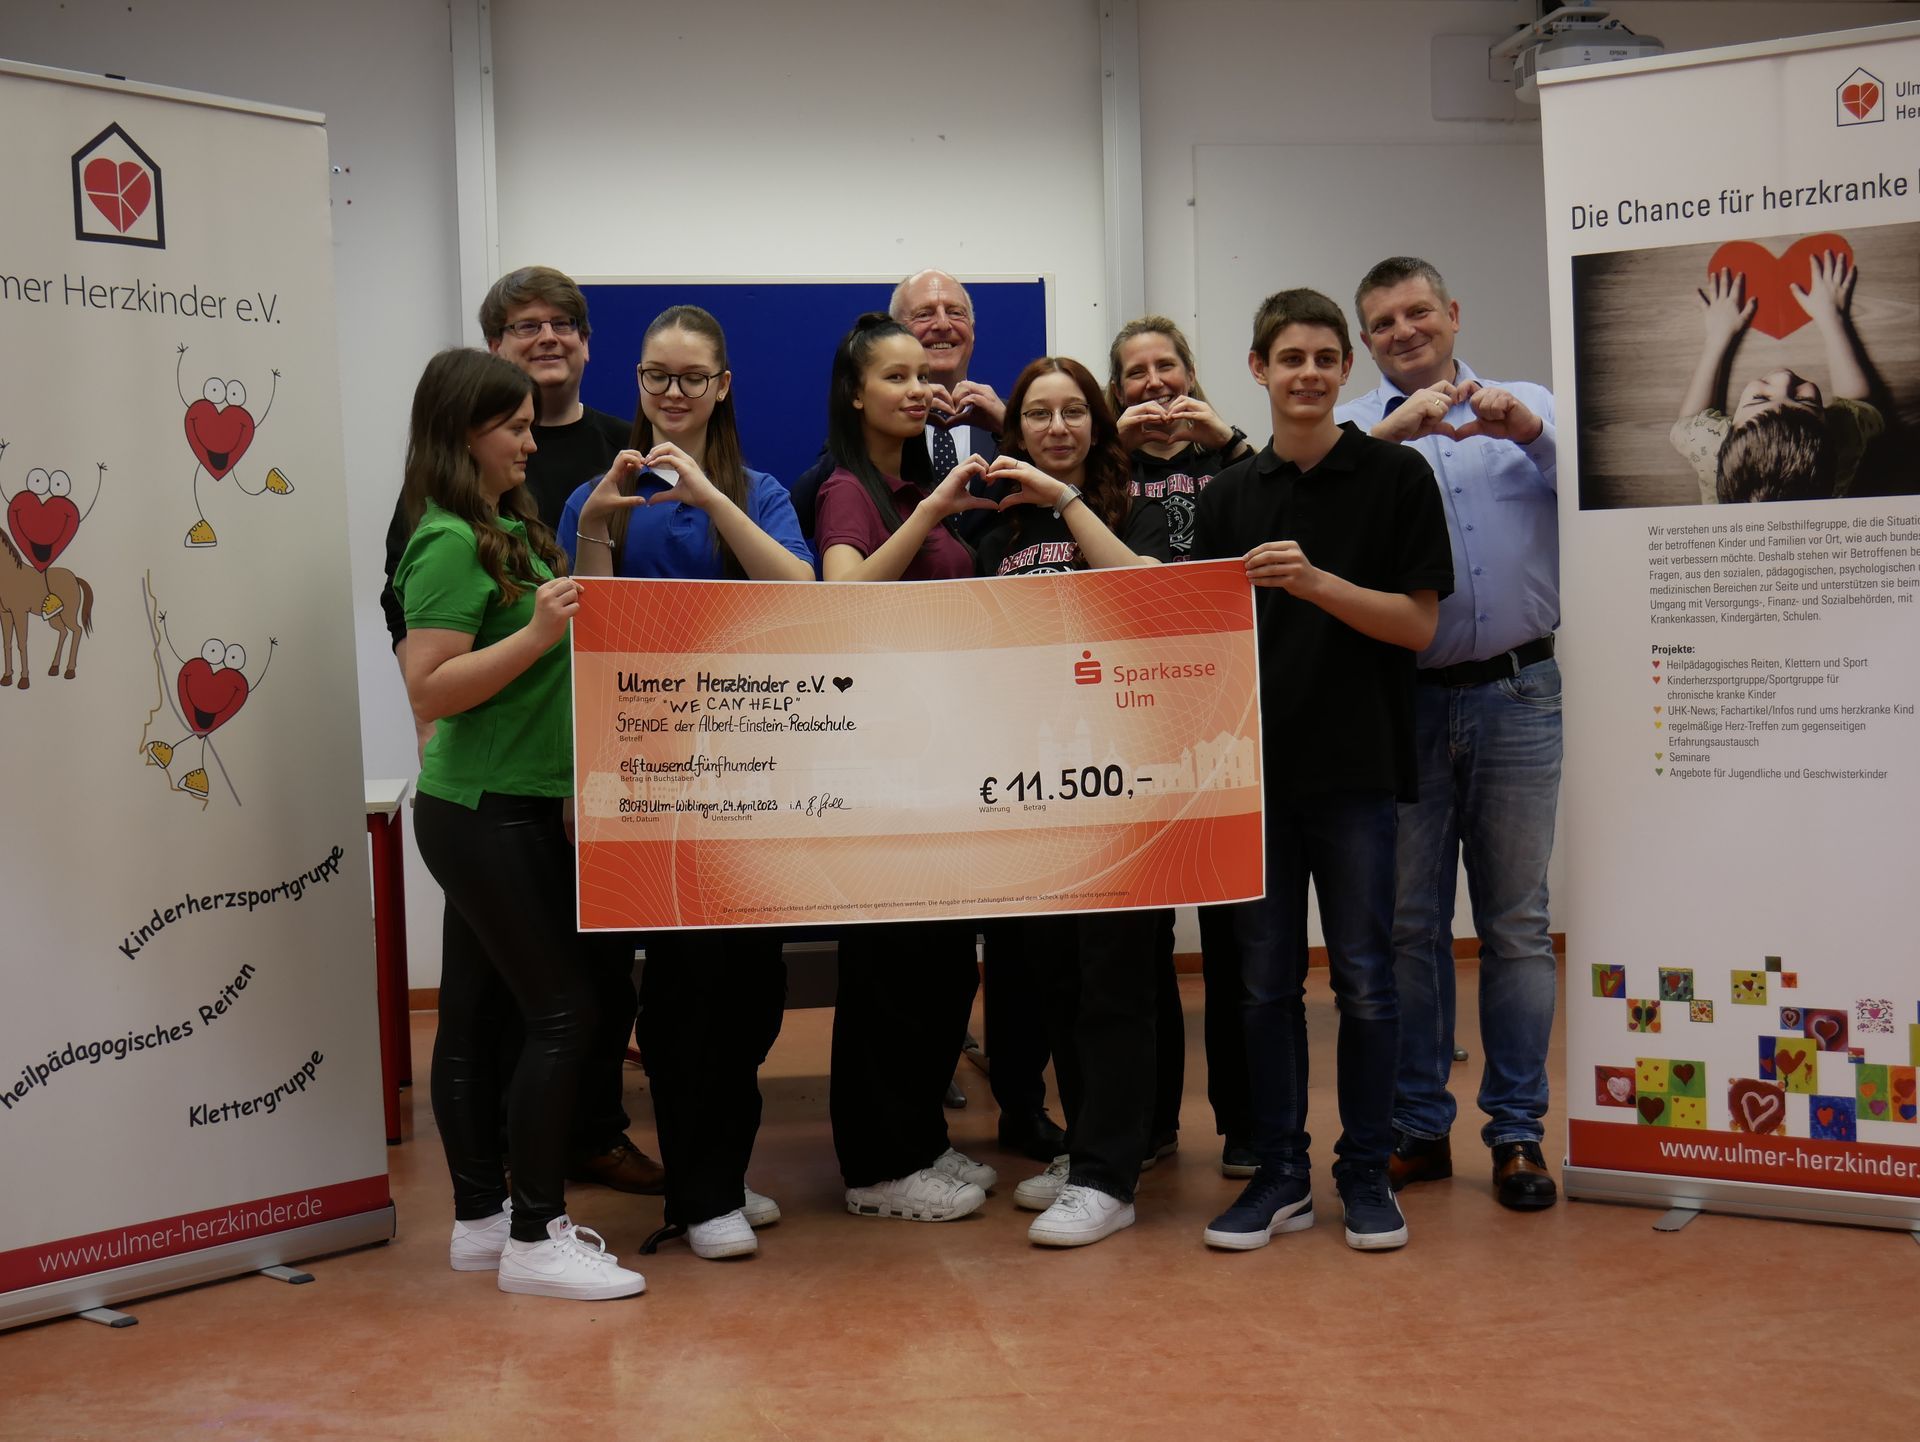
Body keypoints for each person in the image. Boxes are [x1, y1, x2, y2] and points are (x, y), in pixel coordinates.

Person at [380, 266, 663, 1200]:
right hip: (485, 802)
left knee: (486, 1012)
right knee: (554, 1014)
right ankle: (529, 1221)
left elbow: (572, 613)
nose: (532, 444)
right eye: (514, 428)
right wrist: (539, 633)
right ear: (467, 432)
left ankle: (482, 1217)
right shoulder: (445, 538)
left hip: (525, 794)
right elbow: (429, 684)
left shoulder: (504, 519)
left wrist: (595, 526)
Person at [1194, 289, 1452, 1253]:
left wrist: (1316, 582)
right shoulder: (1227, 497)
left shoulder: (1396, 477)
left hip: (1358, 774)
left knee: (1367, 983)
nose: (1307, 374)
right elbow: (1203, 649)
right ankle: (1281, 1175)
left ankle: (1365, 1173)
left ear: (1347, 370)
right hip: (1256, 780)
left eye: (1324, 358)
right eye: (1289, 358)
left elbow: (1418, 626)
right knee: (1262, 988)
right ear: (1257, 370)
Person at [557, 306, 813, 1260]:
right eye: (656, 375)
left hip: (755, 774)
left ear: (722, 387)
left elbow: (799, 596)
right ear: (636, 381)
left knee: (753, 993)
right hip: (649, 783)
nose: (673, 392)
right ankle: (702, 1196)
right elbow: (587, 631)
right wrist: (597, 525)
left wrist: (709, 497)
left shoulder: (759, 491)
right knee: (680, 993)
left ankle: (721, 1171)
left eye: (692, 377)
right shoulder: (595, 495)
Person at [1338, 255, 1563, 1212]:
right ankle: (1420, 1129)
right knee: (1411, 926)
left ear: (1453, 313)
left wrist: (1533, 434)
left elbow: (1599, 493)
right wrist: (1390, 438)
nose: (1404, 331)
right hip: (1407, 700)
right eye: (1384, 322)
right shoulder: (1355, 430)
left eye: (1418, 311)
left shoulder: (1528, 405)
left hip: (1520, 692)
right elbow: (1325, 519)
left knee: (1515, 925)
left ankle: (1516, 1133)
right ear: (1366, 341)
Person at [972, 357, 1170, 1247]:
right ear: (1015, 429)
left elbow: (1147, 593)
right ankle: (1090, 1146)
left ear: (1098, 421)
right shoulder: (995, 530)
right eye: (1038, 415)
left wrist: (1066, 500)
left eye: (1073, 412)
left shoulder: (1142, 503)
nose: (1057, 427)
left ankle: (1108, 1179)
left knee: (1115, 984)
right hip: (1033, 784)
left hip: (1128, 781)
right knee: (1055, 979)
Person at [813, 312, 1002, 1221]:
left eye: (923, 376)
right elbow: (843, 596)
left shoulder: (914, 478)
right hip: (882, 765)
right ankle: (878, 1166)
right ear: (856, 395)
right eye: (894, 377)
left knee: (942, 967)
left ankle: (919, 1139)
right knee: (889, 971)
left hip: (944, 759)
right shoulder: (849, 488)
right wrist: (929, 515)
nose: (917, 389)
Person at [1106, 316, 1258, 1177]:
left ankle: (1245, 1122)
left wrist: (1223, 435)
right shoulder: (1106, 472)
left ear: (1192, 375)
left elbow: (1279, 505)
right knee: (1143, 938)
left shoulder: (1233, 460)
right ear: (1116, 390)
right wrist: (1113, 451)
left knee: (1238, 936)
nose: (1155, 384)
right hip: (1135, 719)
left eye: (1167, 367)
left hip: (1231, 715)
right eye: (1136, 373)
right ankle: (1151, 1121)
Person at [1672, 253, 1882, 503]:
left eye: (1760, 398)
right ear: (1829, 428)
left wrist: (1716, 337)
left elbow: (1687, 423)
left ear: (1726, 433)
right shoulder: (1843, 442)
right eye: (1805, 401)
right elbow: (1861, 406)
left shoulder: (1707, 443)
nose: (1784, 377)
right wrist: (1831, 317)